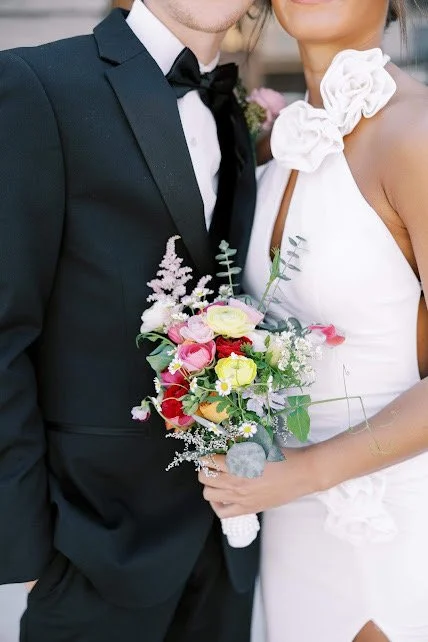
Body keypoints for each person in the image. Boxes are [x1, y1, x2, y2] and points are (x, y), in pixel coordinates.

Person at [0, 1, 260, 640]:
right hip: (92, 546)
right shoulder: (38, 84)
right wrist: (30, 557)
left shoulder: (234, 112)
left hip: (227, 546)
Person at [199, 1, 428, 640]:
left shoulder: (418, 135)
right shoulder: (275, 144)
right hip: (285, 513)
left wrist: (301, 474)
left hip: (393, 514)